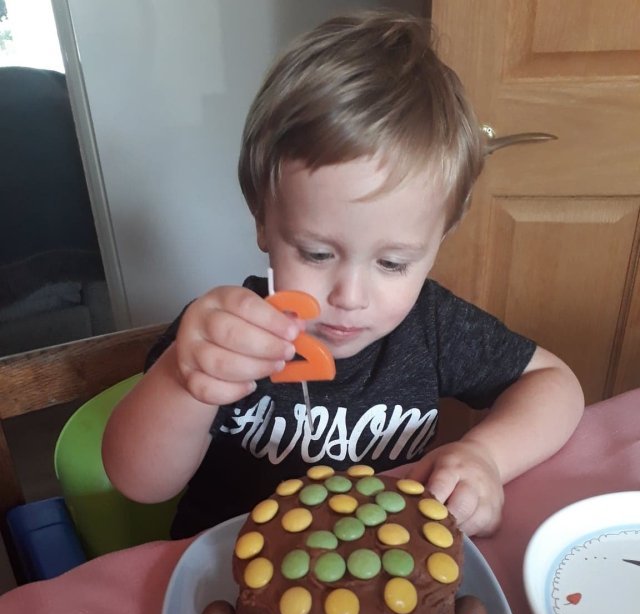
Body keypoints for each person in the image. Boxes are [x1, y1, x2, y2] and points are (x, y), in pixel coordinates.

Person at [102, 10, 583, 539]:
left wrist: (486, 455)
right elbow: (138, 482)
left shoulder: (435, 327)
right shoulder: (225, 336)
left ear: (438, 242)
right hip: (232, 564)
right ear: (262, 220)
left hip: (380, 567)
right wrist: (183, 380)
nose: (350, 297)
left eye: (392, 263)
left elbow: (555, 384)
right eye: (316, 254)